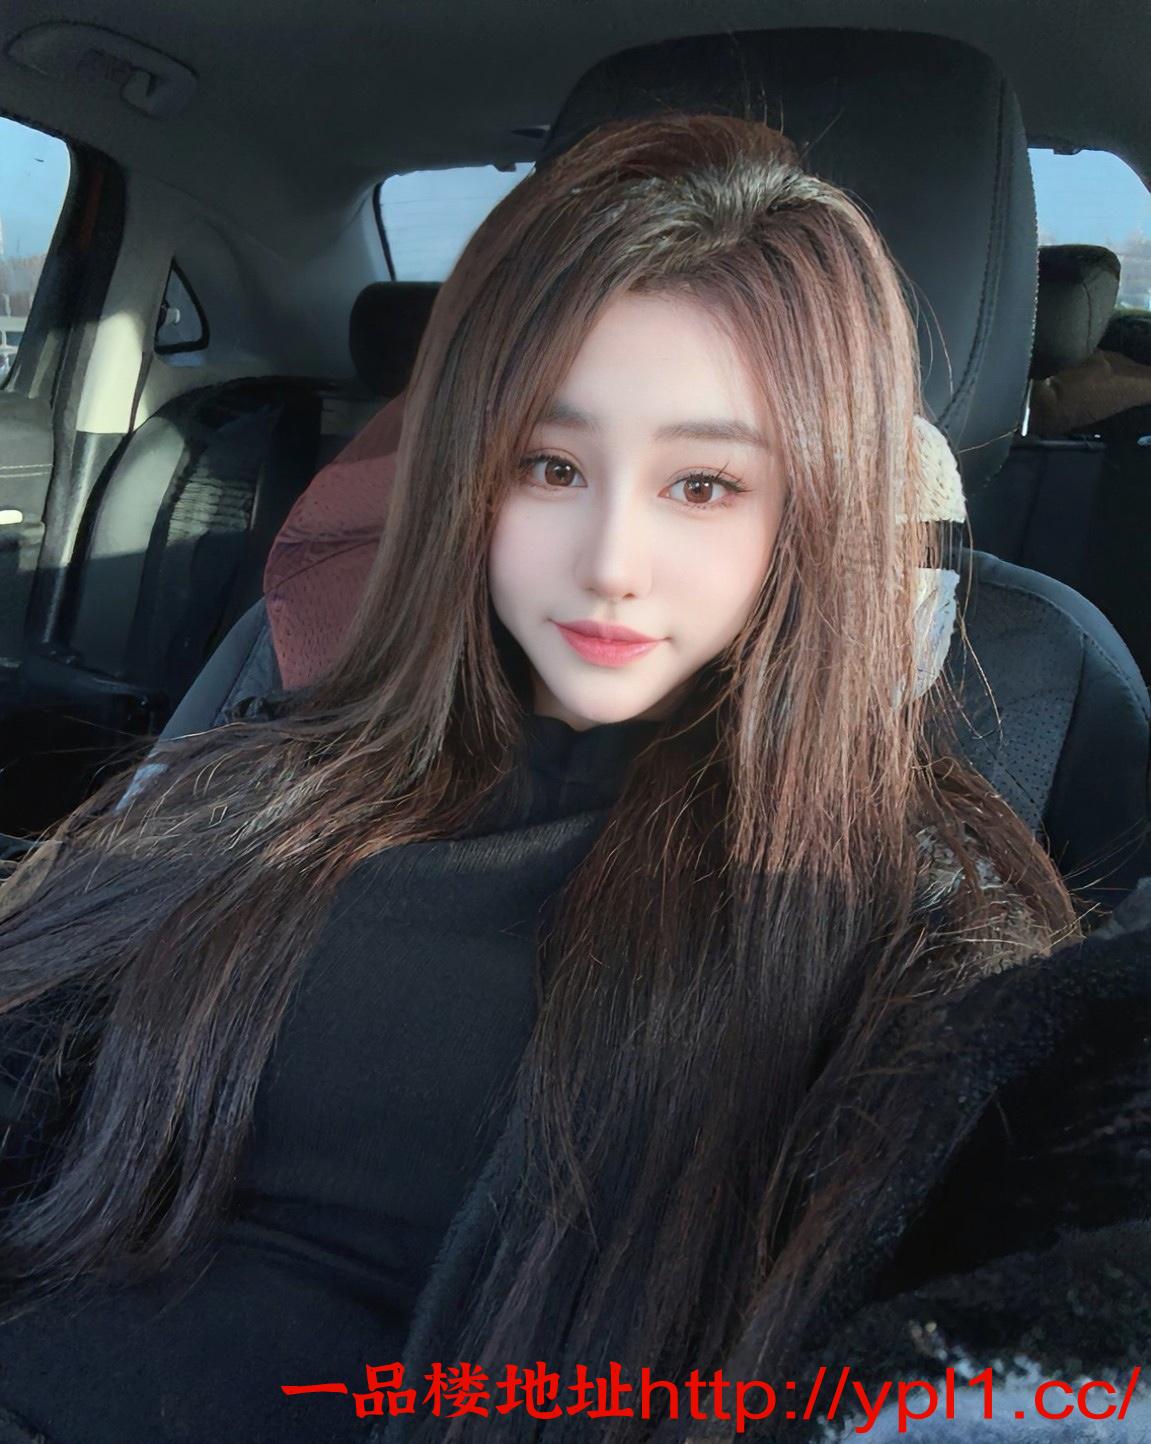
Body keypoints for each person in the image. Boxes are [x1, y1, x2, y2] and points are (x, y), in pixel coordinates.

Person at [0, 112, 1146, 1444]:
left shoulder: (876, 914)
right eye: (550, 467)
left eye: (704, 485)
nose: (610, 562)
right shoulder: (280, 766)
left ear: (813, 514)